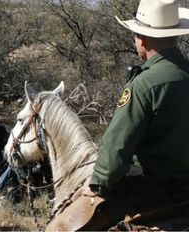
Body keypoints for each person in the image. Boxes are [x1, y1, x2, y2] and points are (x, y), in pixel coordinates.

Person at [70, 0, 189, 230]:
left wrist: (97, 185)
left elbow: (117, 147)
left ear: (141, 40)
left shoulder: (144, 85)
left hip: (150, 188)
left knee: (63, 227)